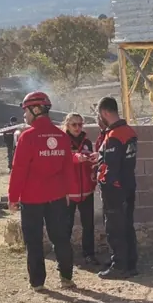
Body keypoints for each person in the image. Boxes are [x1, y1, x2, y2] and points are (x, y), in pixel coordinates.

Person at [7, 91, 76, 293]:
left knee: (34, 241)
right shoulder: (62, 136)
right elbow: (68, 168)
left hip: (32, 198)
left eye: (26, 111)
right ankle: (66, 277)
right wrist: (68, 191)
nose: (25, 116)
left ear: (36, 110)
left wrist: (13, 198)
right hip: (57, 197)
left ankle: (37, 282)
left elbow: (18, 169)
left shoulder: (27, 137)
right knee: (61, 238)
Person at [92, 97, 138, 279]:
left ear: (104, 113)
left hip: (115, 189)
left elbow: (110, 168)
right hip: (128, 184)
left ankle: (119, 266)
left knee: (115, 227)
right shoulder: (129, 131)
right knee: (127, 225)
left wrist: (101, 177)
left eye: (98, 115)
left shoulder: (113, 135)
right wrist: (100, 156)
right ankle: (130, 263)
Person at [62, 112, 99, 266]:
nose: (78, 127)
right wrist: (75, 158)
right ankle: (64, 255)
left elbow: (91, 164)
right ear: (67, 125)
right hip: (68, 192)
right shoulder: (61, 141)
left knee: (88, 225)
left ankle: (89, 254)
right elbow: (59, 161)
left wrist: (92, 159)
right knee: (66, 225)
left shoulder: (87, 142)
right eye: (74, 124)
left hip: (86, 191)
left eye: (80, 124)